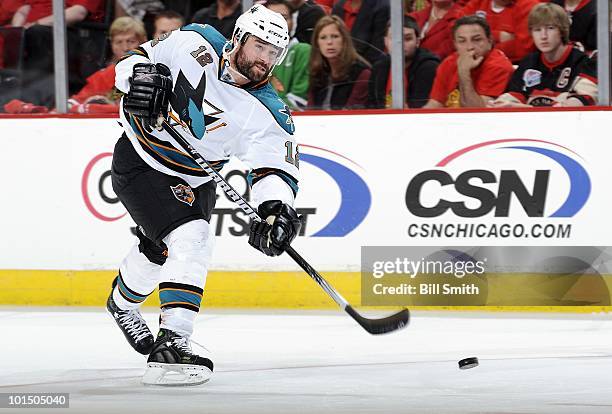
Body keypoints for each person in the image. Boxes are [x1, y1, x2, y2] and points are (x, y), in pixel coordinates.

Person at [108, 4, 302, 386]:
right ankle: (173, 343)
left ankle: (121, 304)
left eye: (273, 53)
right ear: (239, 38)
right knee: (191, 238)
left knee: (160, 247)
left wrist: (276, 208)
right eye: (259, 46)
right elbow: (137, 59)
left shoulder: (268, 111)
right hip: (141, 159)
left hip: (198, 177)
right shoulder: (194, 39)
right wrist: (139, 77)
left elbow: (274, 167)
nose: (264, 59)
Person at [490, 3, 597, 107]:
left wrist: (525, 109)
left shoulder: (583, 62)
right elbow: (513, 95)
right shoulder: (529, 62)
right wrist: (501, 104)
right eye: (537, 30)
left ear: (562, 30)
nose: (543, 36)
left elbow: (582, 100)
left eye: (550, 28)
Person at [424, 15, 513, 108]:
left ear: (490, 41)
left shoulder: (498, 66)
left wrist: (463, 72)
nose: (470, 47)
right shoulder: (448, 62)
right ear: (455, 44)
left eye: (477, 40)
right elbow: (435, 103)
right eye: (462, 41)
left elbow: (476, 112)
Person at [68, 16, 147, 114]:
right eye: (119, 42)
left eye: (131, 41)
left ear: (143, 42)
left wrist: (94, 108)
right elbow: (71, 104)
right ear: (111, 45)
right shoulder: (105, 75)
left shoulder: (158, 72)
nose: (125, 48)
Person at [369, 16, 440, 109]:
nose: (400, 44)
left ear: (417, 42)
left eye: (407, 39)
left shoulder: (429, 67)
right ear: (386, 42)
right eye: (394, 38)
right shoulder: (379, 67)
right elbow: (371, 105)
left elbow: (420, 108)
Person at [308, 15, 370, 110]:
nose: (329, 42)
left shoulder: (362, 74)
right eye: (323, 37)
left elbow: (351, 113)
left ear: (344, 40)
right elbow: (310, 112)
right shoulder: (318, 73)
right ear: (317, 43)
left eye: (335, 36)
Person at [264, 0, 311, 110]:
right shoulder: (252, 54)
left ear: (292, 21)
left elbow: (299, 101)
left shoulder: (303, 51)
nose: (278, 23)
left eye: (284, 17)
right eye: (272, 18)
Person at [460, 0, 540, 63]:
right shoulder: (476, 4)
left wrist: (478, 44)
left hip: (514, 66)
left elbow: (522, 49)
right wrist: (497, 36)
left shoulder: (529, 6)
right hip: (473, 62)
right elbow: (458, 34)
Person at [331, 0, 389, 64]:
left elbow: (377, 50)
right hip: (337, 65)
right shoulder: (338, 7)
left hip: (365, 67)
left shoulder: (382, 7)